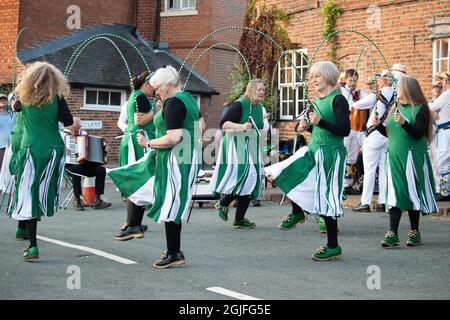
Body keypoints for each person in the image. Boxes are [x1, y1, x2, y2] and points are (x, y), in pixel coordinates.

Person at [265, 61, 350, 261]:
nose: (313, 80)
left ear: (328, 77)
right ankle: (298, 212)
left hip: (331, 154)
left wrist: (319, 122)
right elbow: (319, 129)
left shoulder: (338, 100)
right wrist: (307, 128)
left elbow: (344, 130)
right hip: (313, 150)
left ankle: (332, 246)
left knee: (326, 196)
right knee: (287, 171)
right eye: (311, 77)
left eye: (317, 76)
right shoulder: (315, 103)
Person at [9, 61, 81, 260]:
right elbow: (69, 123)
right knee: (41, 190)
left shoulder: (22, 98)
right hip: (52, 151)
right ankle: (35, 214)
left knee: (28, 191)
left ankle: (32, 244)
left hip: (30, 149)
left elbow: (14, 107)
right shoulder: (58, 99)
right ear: (54, 79)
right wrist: (78, 122)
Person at [137, 65, 200, 269]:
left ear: (165, 87)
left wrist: (149, 143)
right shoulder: (189, 98)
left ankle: (174, 252)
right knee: (173, 202)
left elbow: (174, 137)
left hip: (175, 158)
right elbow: (201, 123)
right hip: (188, 157)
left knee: (171, 203)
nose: (156, 93)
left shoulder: (173, 103)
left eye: (156, 89)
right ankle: (173, 249)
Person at [381, 76, 437, 248]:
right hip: (394, 157)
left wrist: (404, 123)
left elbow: (418, 133)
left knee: (412, 192)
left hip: (413, 157)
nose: (397, 90)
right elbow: (391, 133)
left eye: (399, 87)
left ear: (409, 89)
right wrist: (377, 127)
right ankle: (392, 233)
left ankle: (414, 231)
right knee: (395, 194)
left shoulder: (420, 109)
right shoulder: (395, 108)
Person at [210, 79, 265, 229]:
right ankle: (223, 203)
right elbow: (224, 124)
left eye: (263, 90)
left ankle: (239, 219)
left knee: (252, 179)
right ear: (250, 90)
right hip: (236, 146)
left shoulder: (259, 107)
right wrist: (241, 126)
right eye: (259, 89)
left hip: (251, 146)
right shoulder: (239, 105)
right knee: (243, 176)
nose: (262, 92)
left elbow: (259, 126)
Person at [115, 71, 156, 238]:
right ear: (146, 84)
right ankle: (133, 223)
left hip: (131, 139)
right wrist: (157, 111)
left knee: (135, 180)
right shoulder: (141, 97)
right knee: (138, 180)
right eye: (152, 84)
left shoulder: (134, 95)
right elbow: (139, 120)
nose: (154, 88)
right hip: (138, 141)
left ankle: (132, 221)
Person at [353, 70, 395, 212]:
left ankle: (365, 202)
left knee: (370, 169)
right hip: (387, 135)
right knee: (384, 169)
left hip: (374, 134)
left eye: (379, 79)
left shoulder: (377, 94)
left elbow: (358, 105)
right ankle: (383, 202)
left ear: (383, 80)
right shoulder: (396, 95)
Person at [61, 128, 111, 211]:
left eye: (75, 130)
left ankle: (97, 200)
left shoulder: (84, 133)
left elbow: (89, 150)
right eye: (72, 130)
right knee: (75, 170)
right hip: (70, 165)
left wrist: (104, 150)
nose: (73, 133)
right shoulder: (63, 135)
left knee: (101, 170)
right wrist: (64, 150)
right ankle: (77, 200)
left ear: (79, 127)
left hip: (84, 165)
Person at [341, 69, 367, 194]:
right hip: (346, 127)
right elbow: (350, 105)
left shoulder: (359, 92)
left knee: (352, 158)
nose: (353, 82)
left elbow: (368, 102)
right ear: (346, 79)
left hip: (357, 127)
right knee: (344, 154)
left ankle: (348, 184)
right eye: (351, 80)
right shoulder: (342, 92)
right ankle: (341, 185)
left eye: (355, 80)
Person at [429, 71, 450, 201]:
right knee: (442, 161)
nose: (441, 83)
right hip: (444, 131)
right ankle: (443, 190)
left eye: (442, 80)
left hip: (445, 131)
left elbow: (432, 106)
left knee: (442, 161)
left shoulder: (447, 94)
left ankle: (445, 192)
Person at [0, 94, 16, 171]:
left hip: (13, 146)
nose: (3, 101)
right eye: (1, 100)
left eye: (5, 100)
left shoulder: (14, 114)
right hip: (2, 148)